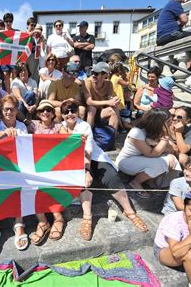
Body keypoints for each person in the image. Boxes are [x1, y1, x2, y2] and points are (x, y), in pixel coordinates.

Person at [60, 101, 148, 239]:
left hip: (93, 157)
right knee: (81, 180)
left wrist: (87, 172)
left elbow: (87, 152)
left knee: (111, 177)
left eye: (72, 110)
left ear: (77, 112)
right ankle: (87, 217)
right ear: (62, 114)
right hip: (76, 162)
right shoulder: (62, 127)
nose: (69, 114)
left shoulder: (84, 126)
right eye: (66, 112)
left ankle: (129, 211)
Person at [0, 95, 28, 259]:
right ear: (1, 111)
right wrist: (5, 133)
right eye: (5, 109)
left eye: (12, 109)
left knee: (20, 179)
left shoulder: (22, 126)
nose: (9, 112)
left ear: (17, 110)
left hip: (16, 164)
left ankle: (18, 222)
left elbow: (25, 146)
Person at [116, 109, 181, 199]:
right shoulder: (137, 132)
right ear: (159, 122)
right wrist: (165, 139)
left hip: (143, 159)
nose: (171, 123)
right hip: (127, 162)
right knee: (163, 162)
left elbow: (173, 149)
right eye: (169, 121)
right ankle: (136, 182)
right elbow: (151, 154)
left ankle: (154, 183)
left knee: (171, 158)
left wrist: (164, 145)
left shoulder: (158, 131)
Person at [27, 101, 65, 244]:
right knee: (32, 183)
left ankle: (57, 218)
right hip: (37, 165)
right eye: (42, 110)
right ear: (37, 113)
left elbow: (68, 140)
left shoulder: (58, 126)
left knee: (44, 182)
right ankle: (43, 221)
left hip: (54, 165)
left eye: (48, 109)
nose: (45, 112)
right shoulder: (33, 125)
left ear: (53, 113)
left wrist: (78, 138)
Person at [83, 62, 120, 130]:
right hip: (88, 113)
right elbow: (89, 102)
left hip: (101, 111)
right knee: (92, 108)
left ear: (104, 75)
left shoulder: (108, 84)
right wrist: (108, 102)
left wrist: (114, 100)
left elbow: (109, 98)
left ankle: (111, 137)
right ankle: (88, 135)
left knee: (115, 108)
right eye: (92, 73)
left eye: (96, 74)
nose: (93, 75)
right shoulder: (88, 82)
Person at [0, 13, 17, 93]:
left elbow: (24, 38)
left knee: (14, 73)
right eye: (6, 21)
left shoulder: (17, 32)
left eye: (10, 21)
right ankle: (7, 93)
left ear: (12, 21)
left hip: (13, 56)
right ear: (4, 22)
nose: (8, 23)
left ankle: (14, 92)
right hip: (3, 56)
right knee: (6, 74)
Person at [25, 17, 42, 84]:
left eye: (34, 26)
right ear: (27, 25)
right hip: (27, 56)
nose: (33, 27)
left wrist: (40, 41)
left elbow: (38, 47)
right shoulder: (24, 34)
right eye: (31, 25)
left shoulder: (35, 36)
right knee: (28, 74)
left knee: (34, 75)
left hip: (35, 57)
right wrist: (31, 34)